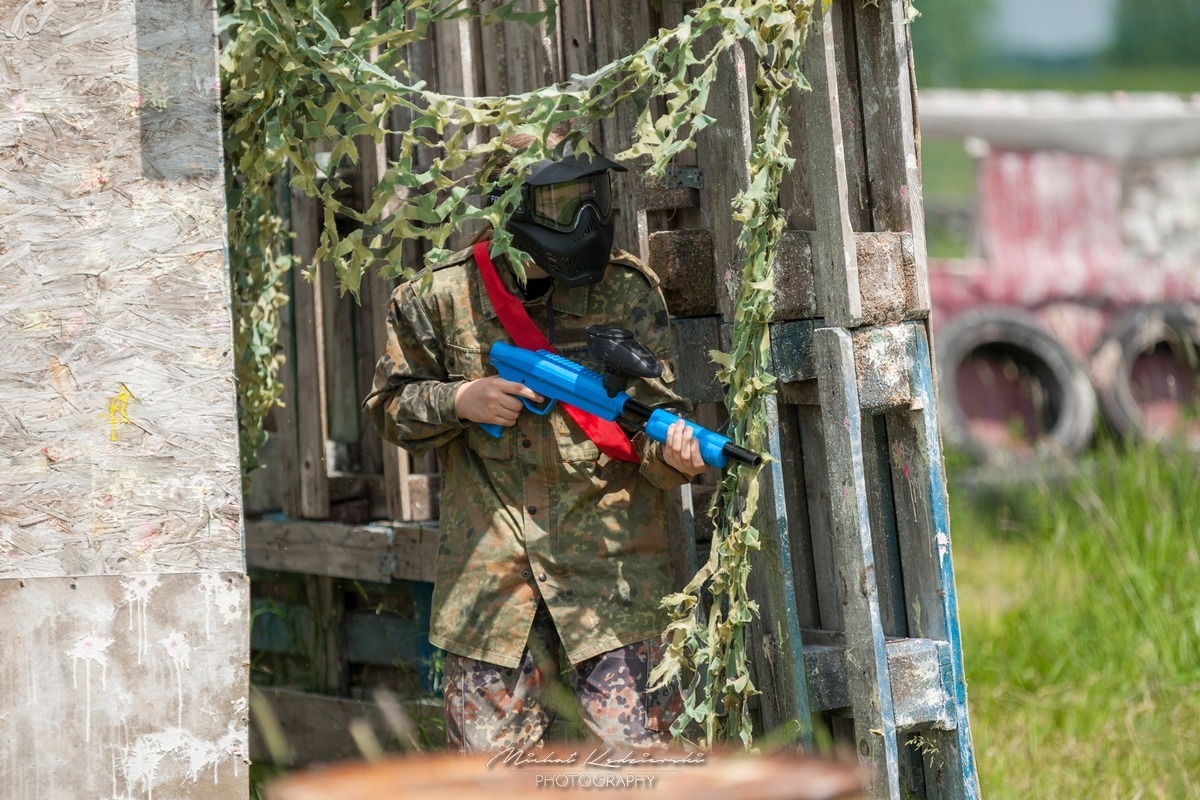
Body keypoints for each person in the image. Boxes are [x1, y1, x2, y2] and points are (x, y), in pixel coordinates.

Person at [364, 132, 708, 752]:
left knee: (643, 777)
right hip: (492, 595)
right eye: (560, 202)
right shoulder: (440, 299)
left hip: (612, 586)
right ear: (509, 207)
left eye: (592, 196)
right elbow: (388, 411)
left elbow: (654, 424)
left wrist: (677, 460)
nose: (584, 218)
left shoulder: (628, 290)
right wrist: (459, 401)